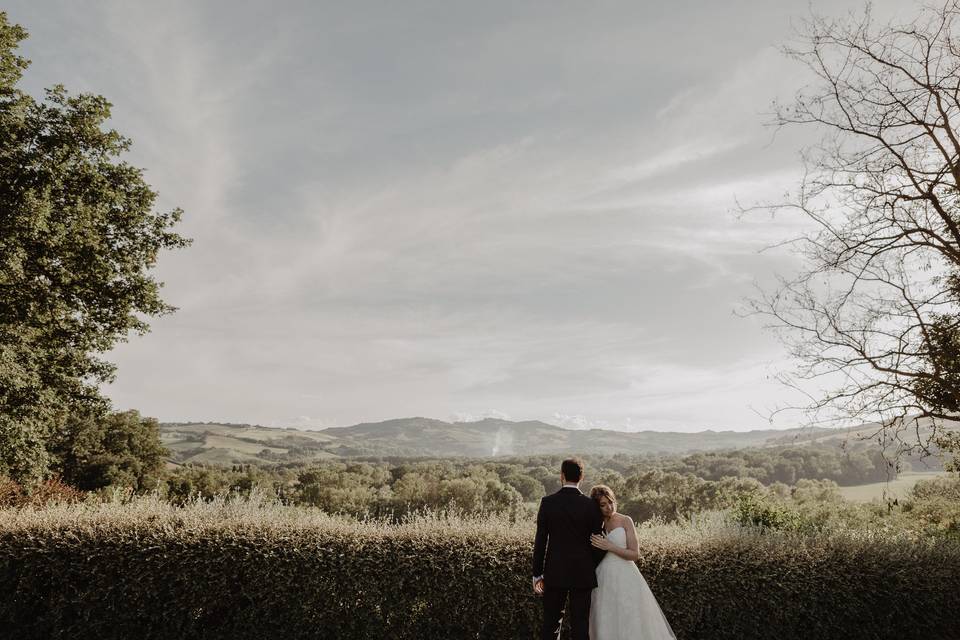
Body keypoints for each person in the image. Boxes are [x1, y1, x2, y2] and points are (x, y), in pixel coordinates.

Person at [588, 484, 677, 640]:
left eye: (611, 502)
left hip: (626, 575)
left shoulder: (625, 520)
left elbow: (634, 554)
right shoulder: (595, 523)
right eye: (603, 505)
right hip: (603, 577)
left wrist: (610, 546)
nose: (609, 507)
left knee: (631, 616)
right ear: (597, 507)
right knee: (606, 616)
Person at [532, 458, 606, 640]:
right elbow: (600, 543)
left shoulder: (548, 503)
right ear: (582, 477)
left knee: (551, 624)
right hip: (583, 574)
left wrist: (537, 574)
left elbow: (540, 541)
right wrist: (589, 564)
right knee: (581, 625)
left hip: (554, 572)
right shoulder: (591, 506)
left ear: (562, 476)